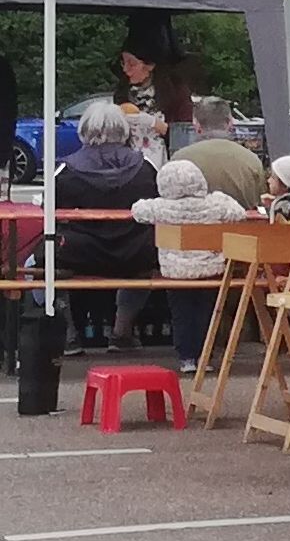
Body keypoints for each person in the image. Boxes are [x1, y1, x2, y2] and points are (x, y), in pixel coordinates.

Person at [52, 100, 160, 349]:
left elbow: (50, 213)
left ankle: (66, 335)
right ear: (123, 130)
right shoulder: (145, 168)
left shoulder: (66, 170)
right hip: (135, 254)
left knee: (35, 264)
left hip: (79, 254)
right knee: (149, 252)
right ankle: (122, 330)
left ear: (84, 130)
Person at [130, 159, 249, 371]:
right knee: (207, 311)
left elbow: (138, 211)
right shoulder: (216, 204)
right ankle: (206, 354)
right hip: (210, 269)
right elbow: (239, 213)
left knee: (181, 313)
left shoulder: (160, 207)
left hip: (175, 272)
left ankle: (186, 357)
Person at [174, 99, 267, 209]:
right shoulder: (251, 160)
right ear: (230, 123)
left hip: (190, 224)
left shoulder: (179, 160)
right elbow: (260, 203)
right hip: (240, 225)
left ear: (197, 125)